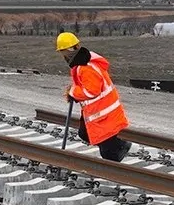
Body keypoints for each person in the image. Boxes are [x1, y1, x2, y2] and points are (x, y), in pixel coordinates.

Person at [56, 31, 132, 161]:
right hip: (98, 110)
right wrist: (74, 91)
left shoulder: (85, 67)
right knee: (84, 133)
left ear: (66, 52)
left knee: (108, 152)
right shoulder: (83, 63)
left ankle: (117, 159)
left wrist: (73, 92)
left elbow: (91, 91)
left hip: (103, 112)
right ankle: (119, 148)